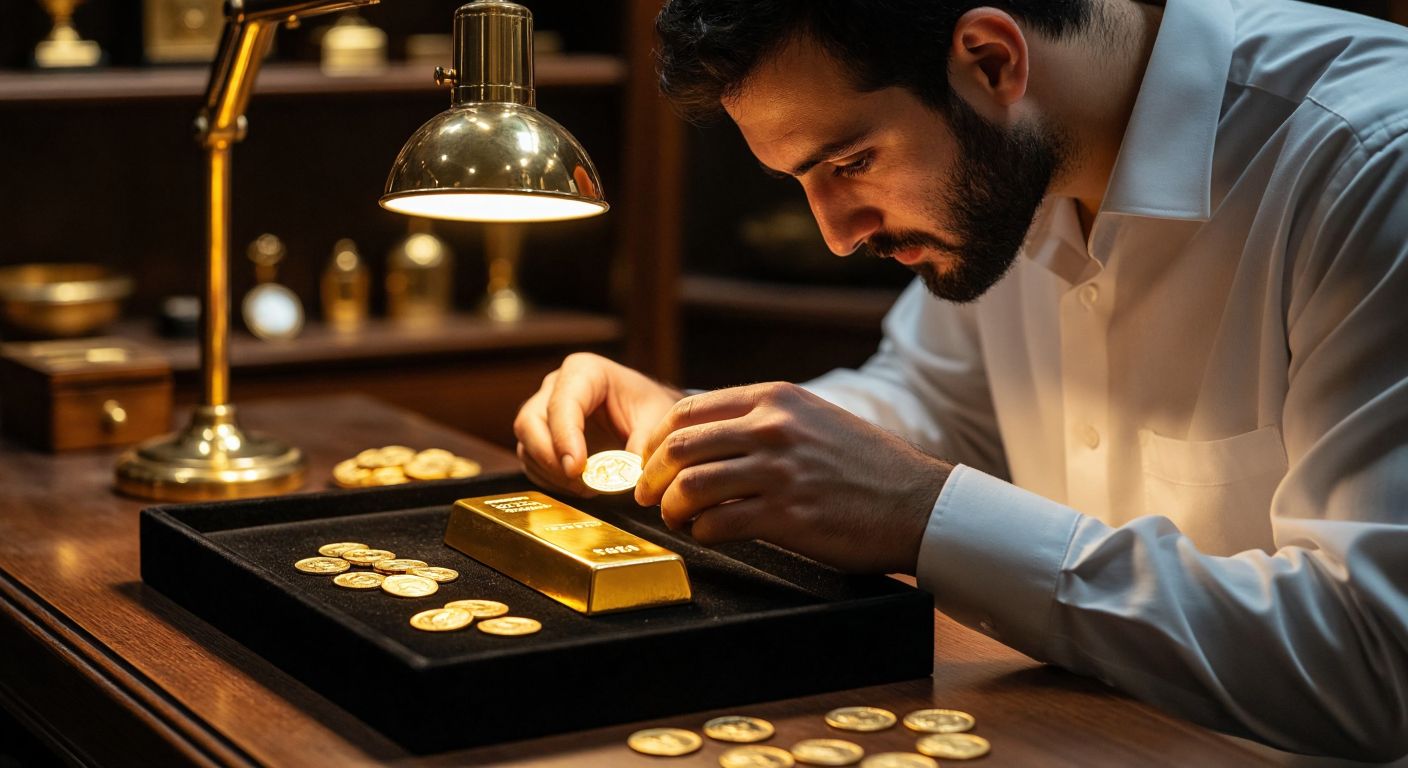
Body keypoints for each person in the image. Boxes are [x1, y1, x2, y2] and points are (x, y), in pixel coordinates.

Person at [513, 0, 1408, 758]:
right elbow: (927, 401)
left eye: (850, 162)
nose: (834, 233)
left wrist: (922, 514)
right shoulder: (1007, 172)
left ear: (990, 61)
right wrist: (701, 430)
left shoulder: (1372, 163)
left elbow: (1377, 665)